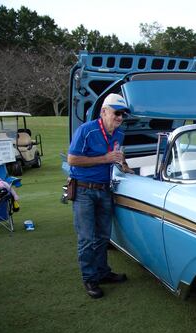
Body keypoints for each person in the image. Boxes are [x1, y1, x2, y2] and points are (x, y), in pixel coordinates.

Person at [67, 93, 132, 299]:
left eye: (123, 114)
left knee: (104, 236)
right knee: (87, 238)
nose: (120, 117)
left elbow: (118, 158)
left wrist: (124, 165)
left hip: (104, 190)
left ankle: (102, 272)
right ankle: (90, 279)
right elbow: (72, 159)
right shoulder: (86, 130)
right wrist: (105, 158)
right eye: (117, 113)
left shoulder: (119, 135)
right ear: (104, 111)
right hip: (84, 190)